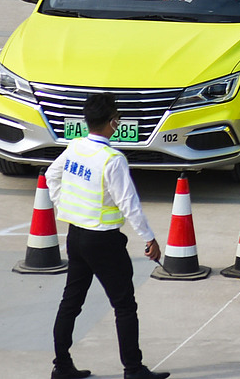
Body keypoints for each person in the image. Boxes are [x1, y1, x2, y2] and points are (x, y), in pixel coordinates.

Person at [45, 93, 166, 379]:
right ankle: (133, 369)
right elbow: (129, 204)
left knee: (71, 301)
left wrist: (66, 207)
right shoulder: (113, 160)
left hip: (76, 236)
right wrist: (148, 237)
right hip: (104, 241)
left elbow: (52, 175)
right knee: (124, 305)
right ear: (113, 122)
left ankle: (61, 366)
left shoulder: (75, 148)